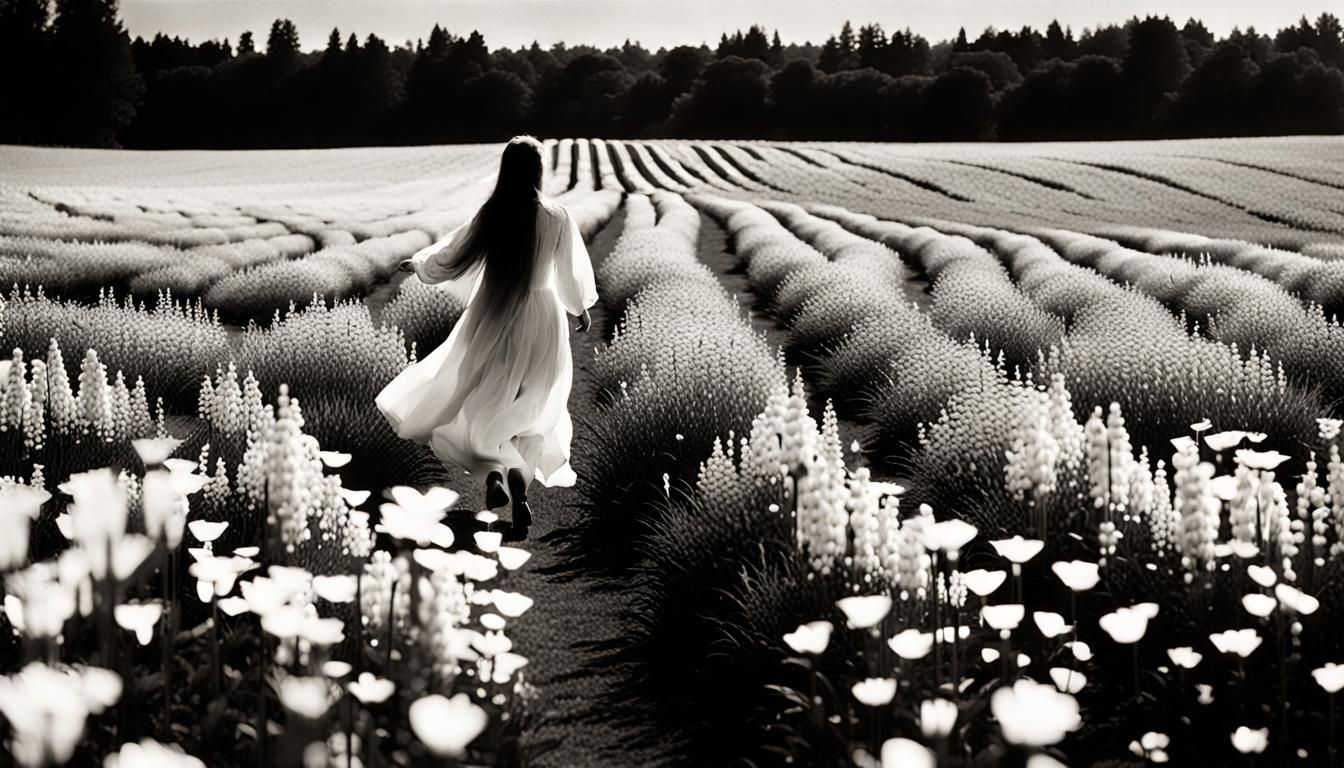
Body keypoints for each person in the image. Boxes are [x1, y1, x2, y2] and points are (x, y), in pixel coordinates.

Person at [375, 135, 596, 537]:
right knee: (532, 408)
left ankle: (494, 472)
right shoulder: (557, 216)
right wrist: (579, 308)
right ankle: (519, 489)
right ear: (538, 170)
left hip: (495, 314)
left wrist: (421, 265)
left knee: (483, 400)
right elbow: (568, 275)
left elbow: (455, 252)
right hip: (543, 318)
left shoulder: (494, 212)